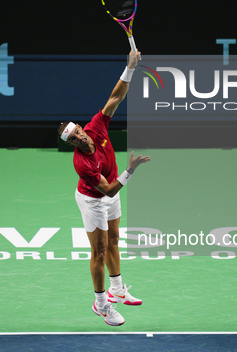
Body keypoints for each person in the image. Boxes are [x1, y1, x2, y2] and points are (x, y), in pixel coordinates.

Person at [57, 50, 150, 327]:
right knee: (97, 251)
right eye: (74, 139)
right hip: (93, 200)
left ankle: (118, 289)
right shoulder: (82, 163)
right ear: (71, 144)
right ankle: (101, 304)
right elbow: (108, 190)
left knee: (114, 240)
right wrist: (130, 170)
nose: (80, 137)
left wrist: (129, 68)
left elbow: (115, 97)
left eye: (78, 131)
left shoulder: (96, 127)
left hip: (111, 194)